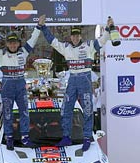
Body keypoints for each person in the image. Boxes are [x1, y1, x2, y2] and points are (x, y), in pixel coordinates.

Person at [38, 15, 113, 151]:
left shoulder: (89, 46)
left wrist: (108, 28)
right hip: (72, 79)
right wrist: (43, 27)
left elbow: (103, 40)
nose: (75, 38)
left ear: (80, 36)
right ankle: (66, 137)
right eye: (73, 35)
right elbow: (52, 41)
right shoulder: (66, 47)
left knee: (88, 109)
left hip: (84, 80)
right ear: (70, 37)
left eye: (77, 35)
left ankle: (87, 137)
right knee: (66, 109)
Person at [0, 23, 41, 150]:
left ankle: (25, 137)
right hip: (7, 86)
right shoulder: (1, 54)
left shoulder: (23, 51)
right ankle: (9, 138)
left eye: (15, 43)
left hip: (20, 86)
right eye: (10, 43)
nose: (13, 45)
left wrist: (38, 27)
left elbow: (33, 39)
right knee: (8, 112)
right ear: (7, 44)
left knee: (24, 112)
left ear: (18, 43)